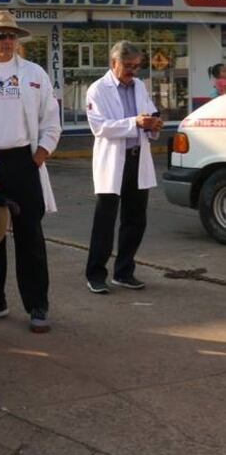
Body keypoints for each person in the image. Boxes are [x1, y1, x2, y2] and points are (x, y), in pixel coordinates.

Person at [0, 11, 62, 333]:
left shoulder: (34, 74)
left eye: (11, 36)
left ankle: (37, 305)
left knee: (30, 237)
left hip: (23, 161)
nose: (6, 41)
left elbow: (51, 117)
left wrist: (40, 154)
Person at [85, 41, 162, 294]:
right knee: (105, 221)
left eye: (137, 66)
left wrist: (153, 123)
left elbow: (150, 112)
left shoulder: (139, 86)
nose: (133, 71)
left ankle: (124, 272)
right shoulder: (98, 90)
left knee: (135, 220)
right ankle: (96, 275)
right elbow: (101, 127)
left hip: (138, 159)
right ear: (113, 63)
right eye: (128, 66)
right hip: (113, 161)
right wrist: (135, 123)